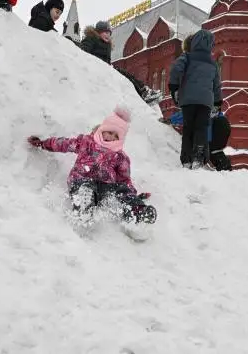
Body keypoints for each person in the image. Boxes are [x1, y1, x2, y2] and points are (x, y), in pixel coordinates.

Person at [26, 106, 155, 224]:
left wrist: (131, 194)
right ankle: (84, 206)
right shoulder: (86, 142)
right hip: (82, 179)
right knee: (85, 187)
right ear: (101, 130)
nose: (111, 137)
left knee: (121, 190)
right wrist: (44, 143)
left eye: (116, 136)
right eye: (109, 132)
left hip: (105, 187)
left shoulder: (120, 156)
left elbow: (124, 179)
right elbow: (64, 144)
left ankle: (137, 212)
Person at [169, 29, 222, 169]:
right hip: (205, 102)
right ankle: (199, 157)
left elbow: (176, 69)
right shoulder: (213, 63)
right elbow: (216, 85)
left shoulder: (187, 56)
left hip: (188, 100)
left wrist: (174, 86)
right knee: (201, 128)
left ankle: (186, 159)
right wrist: (217, 102)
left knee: (188, 129)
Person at [76, 21, 162, 104]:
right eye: (105, 32)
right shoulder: (91, 38)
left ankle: (144, 92)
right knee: (123, 76)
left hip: (105, 68)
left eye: (109, 33)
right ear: (98, 32)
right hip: (96, 66)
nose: (108, 35)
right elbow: (83, 51)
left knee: (127, 75)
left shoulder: (107, 45)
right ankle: (143, 93)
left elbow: (107, 61)